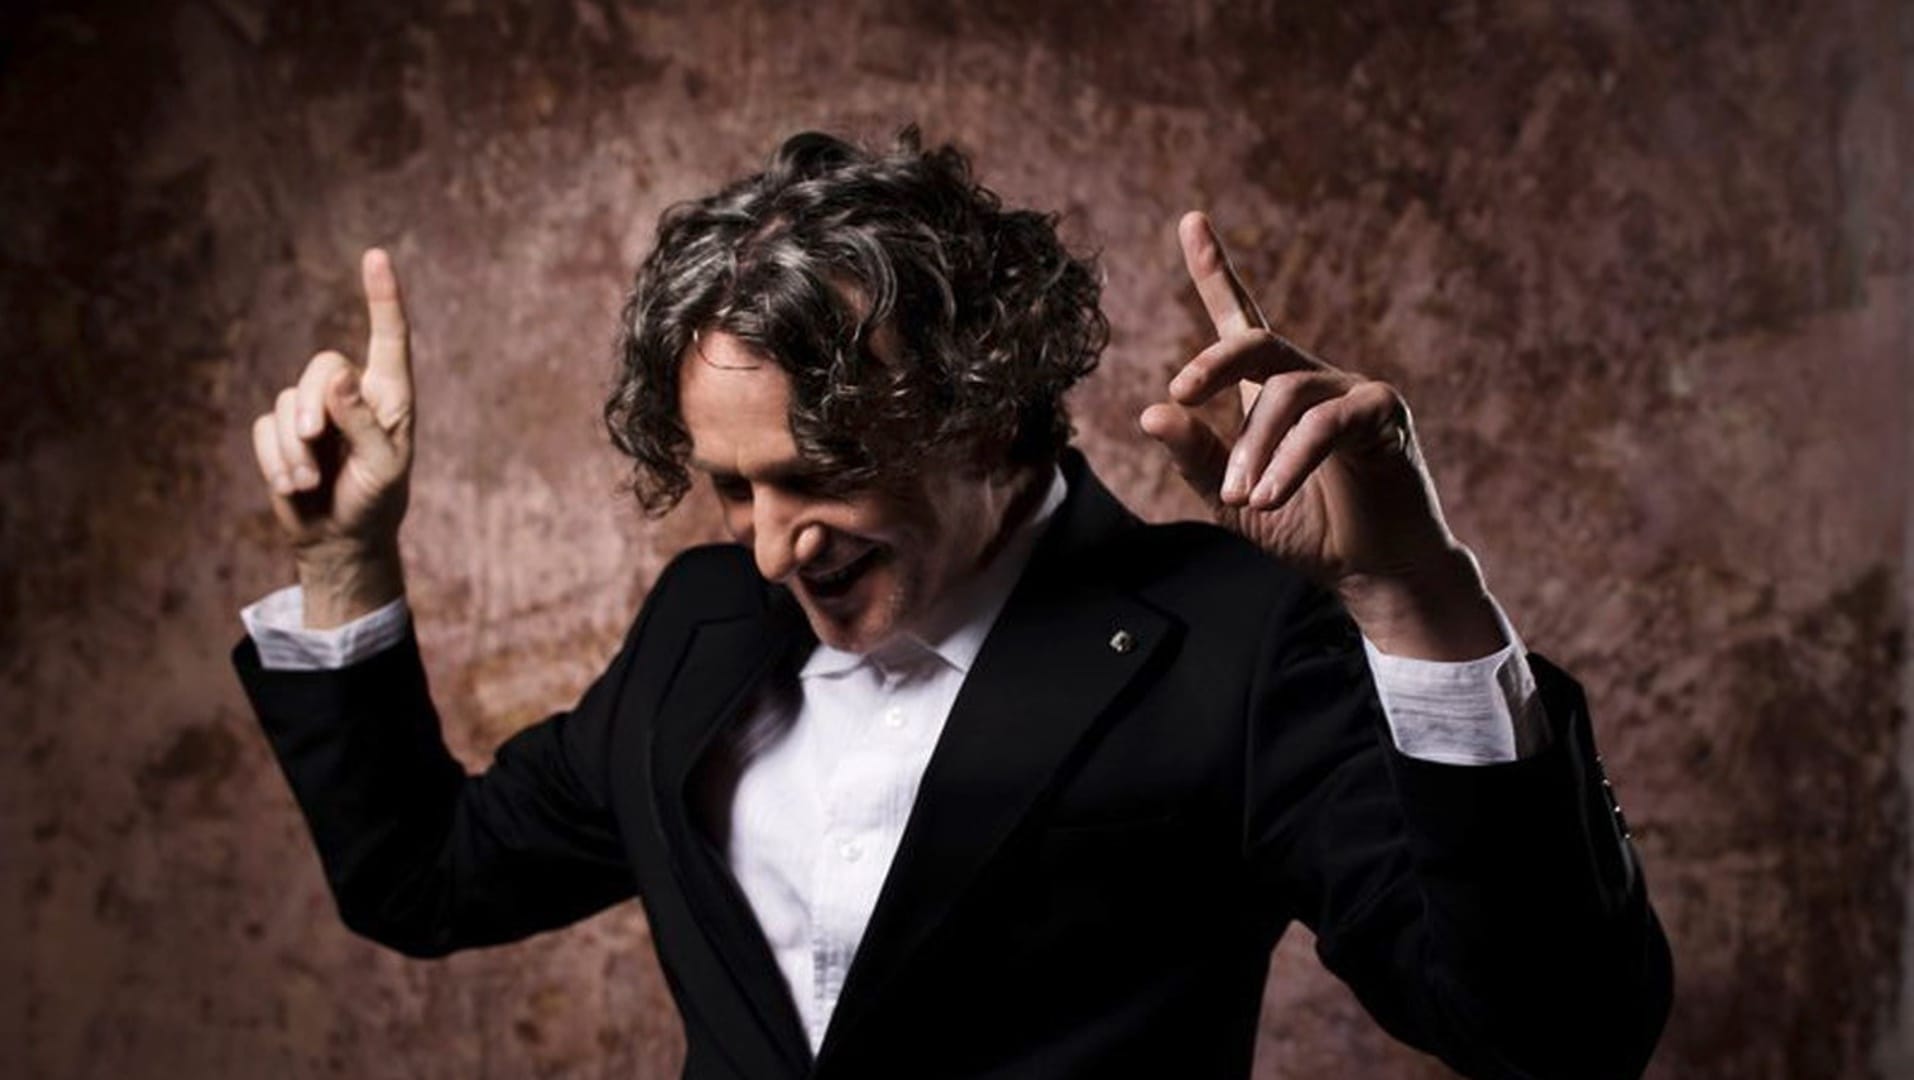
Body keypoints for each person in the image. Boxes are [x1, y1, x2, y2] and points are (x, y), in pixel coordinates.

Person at [234, 129, 1672, 1079]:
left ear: (988, 413)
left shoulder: (1228, 643)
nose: (772, 548)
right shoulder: (699, 629)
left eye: (822, 475)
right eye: (731, 488)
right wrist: (349, 558)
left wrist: (1415, 597)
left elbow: (1554, 1037)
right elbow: (425, 880)